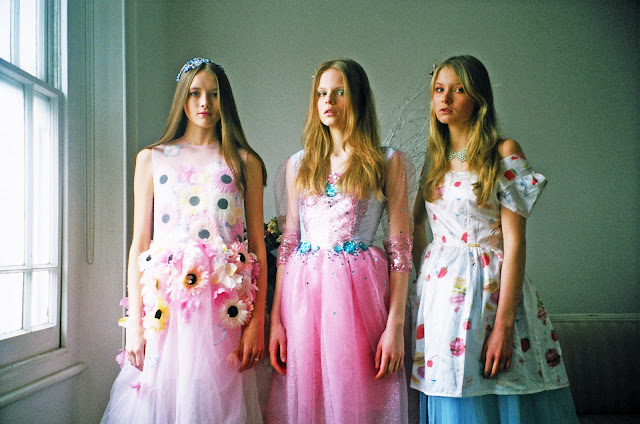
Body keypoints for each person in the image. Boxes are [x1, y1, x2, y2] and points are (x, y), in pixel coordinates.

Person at [410, 55, 579, 423]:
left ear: (478, 98)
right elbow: (416, 225)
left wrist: (503, 326)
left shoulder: (503, 152)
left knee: (498, 391)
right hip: (442, 304)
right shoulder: (434, 158)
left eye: (458, 90)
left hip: (491, 296)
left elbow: (515, 244)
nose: (445, 98)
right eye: (439, 89)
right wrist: (427, 280)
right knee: (452, 395)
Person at [102, 58, 267, 423]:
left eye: (214, 94)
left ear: (225, 100)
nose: (204, 102)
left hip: (224, 316)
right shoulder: (152, 159)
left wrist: (257, 321)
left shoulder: (245, 162)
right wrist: (135, 324)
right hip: (167, 313)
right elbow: (139, 244)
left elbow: (257, 246)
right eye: (195, 93)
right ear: (183, 98)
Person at [267, 58, 413, 423]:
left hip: (359, 297)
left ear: (358, 98)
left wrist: (395, 325)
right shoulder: (299, 164)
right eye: (321, 93)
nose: (328, 101)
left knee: (356, 397)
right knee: (310, 399)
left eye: (339, 92)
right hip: (303, 299)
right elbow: (288, 244)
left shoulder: (386, 161)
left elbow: (400, 248)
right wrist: (276, 320)